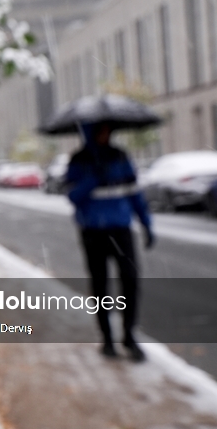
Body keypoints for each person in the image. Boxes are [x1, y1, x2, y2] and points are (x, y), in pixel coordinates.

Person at [66, 122, 154, 361]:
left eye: (107, 130)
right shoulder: (78, 160)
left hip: (120, 229)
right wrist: (92, 179)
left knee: (130, 281)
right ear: (91, 132)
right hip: (92, 232)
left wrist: (146, 223)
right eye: (100, 130)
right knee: (100, 285)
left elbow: (134, 193)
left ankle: (129, 336)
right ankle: (107, 339)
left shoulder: (120, 157)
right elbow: (73, 196)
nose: (105, 134)